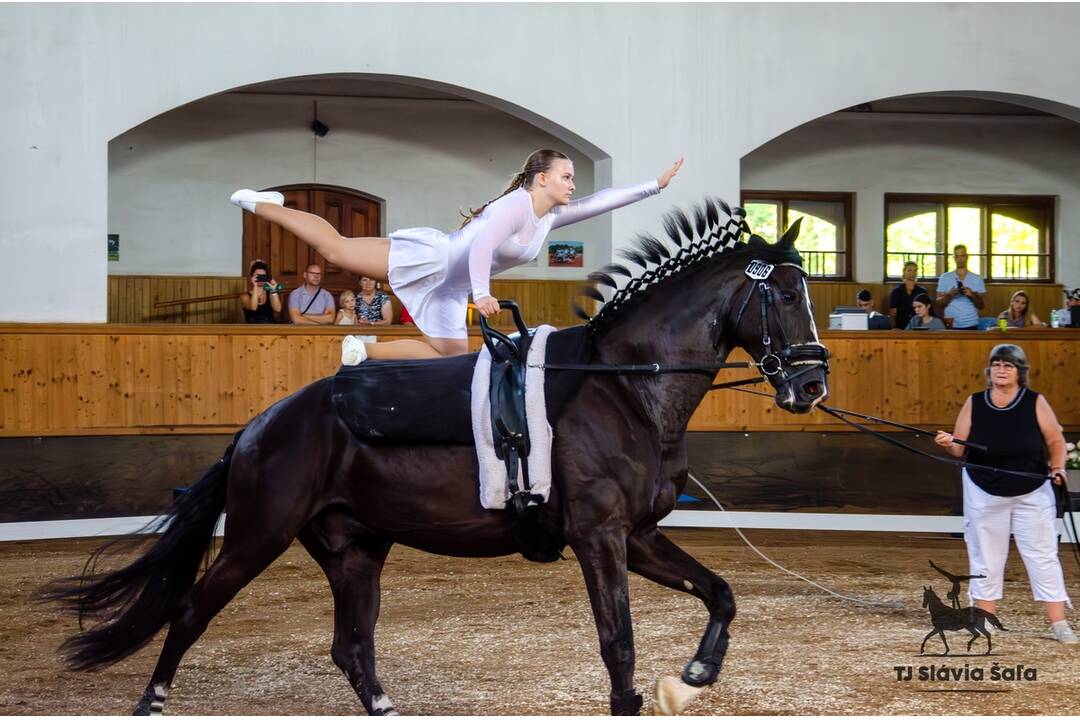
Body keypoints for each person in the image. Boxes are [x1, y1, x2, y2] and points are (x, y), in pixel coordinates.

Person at [231, 149, 682, 361]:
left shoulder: (547, 217)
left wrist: (653, 186)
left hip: (451, 288)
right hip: (435, 261)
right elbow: (482, 246)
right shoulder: (515, 205)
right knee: (336, 249)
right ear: (541, 178)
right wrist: (482, 293)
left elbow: (598, 202)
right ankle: (263, 204)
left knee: (448, 352)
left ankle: (365, 350)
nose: (572, 184)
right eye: (566, 175)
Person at [934, 344, 1076, 644]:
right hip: (983, 488)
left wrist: (1058, 467)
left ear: (1019, 372)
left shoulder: (1035, 401)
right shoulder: (975, 402)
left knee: (1042, 556)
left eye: (1008, 365)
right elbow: (960, 448)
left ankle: (1059, 623)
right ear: (990, 370)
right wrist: (949, 442)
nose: (1001, 370)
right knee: (985, 557)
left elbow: (1055, 441)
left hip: (1032, 489)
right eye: (996, 364)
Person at [936, 244, 986, 330]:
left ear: (967, 257)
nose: (959, 259)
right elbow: (938, 304)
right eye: (957, 256)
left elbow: (981, 305)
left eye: (962, 256)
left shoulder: (977, 278)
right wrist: (949, 295)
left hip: (971, 323)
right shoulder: (944, 277)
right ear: (954, 258)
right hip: (950, 323)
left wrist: (971, 294)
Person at [889, 261, 930, 331]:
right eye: (909, 270)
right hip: (901, 328)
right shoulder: (896, 292)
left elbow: (926, 313)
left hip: (919, 328)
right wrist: (894, 329)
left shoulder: (922, 292)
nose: (912, 273)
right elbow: (893, 314)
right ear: (904, 273)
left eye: (915, 271)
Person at [239, 259, 282, 324]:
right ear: (252, 276)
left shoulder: (270, 293)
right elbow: (253, 308)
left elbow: (278, 309)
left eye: (263, 276)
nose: (260, 278)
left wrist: (274, 290)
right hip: (252, 328)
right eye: (257, 276)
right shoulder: (244, 296)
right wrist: (255, 286)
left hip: (269, 327)